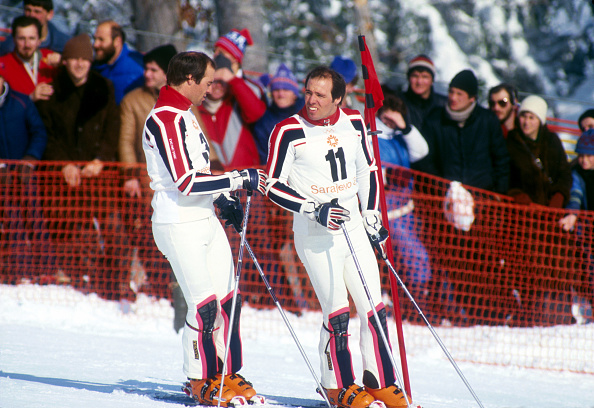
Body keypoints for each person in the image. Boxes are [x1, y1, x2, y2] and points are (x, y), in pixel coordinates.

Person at [266, 65, 410, 408]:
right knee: (337, 311)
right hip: (316, 231)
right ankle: (337, 385)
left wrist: (372, 215)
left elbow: (367, 170)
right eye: (308, 93)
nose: (311, 101)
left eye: (320, 95)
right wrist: (312, 208)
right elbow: (272, 184)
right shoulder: (287, 130)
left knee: (373, 306)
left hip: (354, 228)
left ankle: (379, 379)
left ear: (338, 99)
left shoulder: (355, 122)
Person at [142, 51, 268, 406]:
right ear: (190, 80)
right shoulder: (165, 119)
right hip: (178, 222)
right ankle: (200, 379)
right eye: (208, 81)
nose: (212, 88)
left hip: (204, 218)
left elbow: (200, 175)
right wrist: (239, 177)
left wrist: (224, 198)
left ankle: (226, 372)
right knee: (204, 307)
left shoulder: (185, 114)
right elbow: (183, 182)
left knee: (229, 300)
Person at [37, 33, 122, 299]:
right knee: (72, 230)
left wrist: (101, 159)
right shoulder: (51, 92)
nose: (79, 64)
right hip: (65, 176)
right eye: (73, 58)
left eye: (84, 59)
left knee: (112, 228)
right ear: (65, 62)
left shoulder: (104, 87)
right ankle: (81, 280)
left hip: (98, 174)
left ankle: (114, 282)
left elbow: (113, 128)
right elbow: (48, 134)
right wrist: (63, 164)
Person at [118, 43, 188, 329]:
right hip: (148, 182)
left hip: (180, 185)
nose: (147, 74)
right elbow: (126, 140)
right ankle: (160, 288)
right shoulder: (133, 100)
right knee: (150, 240)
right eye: (146, 69)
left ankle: (178, 290)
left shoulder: (180, 101)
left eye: (153, 69)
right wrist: (129, 174)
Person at [374, 92, 436, 323]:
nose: (392, 124)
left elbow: (421, 150)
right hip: (386, 214)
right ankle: (416, 308)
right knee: (415, 258)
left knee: (407, 261)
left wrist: (405, 127)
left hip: (406, 210)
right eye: (389, 119)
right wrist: (387, 175)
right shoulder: (372, 136)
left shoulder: (399, 136)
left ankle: (411, 305)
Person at [421, 69, 510, 194]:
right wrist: (440, 189)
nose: (453, 97)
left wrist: (498, 192)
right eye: (451, 92)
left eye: (459, 94)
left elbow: (501, 160)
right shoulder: (435, 120)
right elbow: (427, 161)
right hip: (445, 195)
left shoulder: (487, 120)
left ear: (471, 98)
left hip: (482, 195)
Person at [0, 70, 51, 284]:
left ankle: (46, 268)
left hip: (25, 173)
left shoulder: (20, 102)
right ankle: (18, 270)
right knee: (12, 221)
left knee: (35, 217)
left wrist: (30, 159)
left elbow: (39, 132)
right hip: (2, 177)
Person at [197, 28, 266, 169]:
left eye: (221, 53)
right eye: (215, 51)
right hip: (214, 178)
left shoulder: (245, 89)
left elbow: (255, 114)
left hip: (245, 177)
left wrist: (232, 80)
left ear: (235, 60)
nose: (215, 55)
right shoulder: (199, 95)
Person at [506, 95, 571, 206]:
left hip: (550, 210)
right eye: (523, 116)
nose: (526, 122)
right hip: (522, 212)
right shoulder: (512, 142)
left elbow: (564, 172)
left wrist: (560, 194)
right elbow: (506, 175)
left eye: (532, 117)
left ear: (540, 120)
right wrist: (515, 193)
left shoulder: (552, 141)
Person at [253, 63, 304, 164]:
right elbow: (263, 156)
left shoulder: (307, 114)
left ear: (295, 94)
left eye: (286, 89)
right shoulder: (264, 121)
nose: (281, 94)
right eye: (276, 90)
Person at [0, 15, 59, 101]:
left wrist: (64, 62)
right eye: (22, 38)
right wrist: (30, 98)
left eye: (31, 38)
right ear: (14, 39)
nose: (27, 44)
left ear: (39, 40)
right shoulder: (3, 65)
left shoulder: (51, 58)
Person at [92, 20, 144, 104]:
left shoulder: (138, 67)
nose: (95, 44)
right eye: (95, 39)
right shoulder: (94, 68)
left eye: (101, 40)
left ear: (117, 41)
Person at [0, 0, 71, 56]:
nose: (32, 15)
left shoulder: (64, 45)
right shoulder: (10, 46)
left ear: (50, 14)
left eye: (37, 12)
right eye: (28, 10)